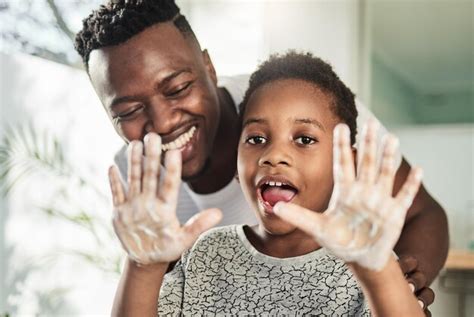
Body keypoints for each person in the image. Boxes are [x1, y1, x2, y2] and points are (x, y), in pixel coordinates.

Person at [75, 0, 445, 311]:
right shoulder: (137, 178)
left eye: (177, 88)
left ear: (208, 67)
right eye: (128, 112)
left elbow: (422, 213)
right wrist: (142, 268)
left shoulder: (301, 99)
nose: (163, 122)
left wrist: (395, 285)